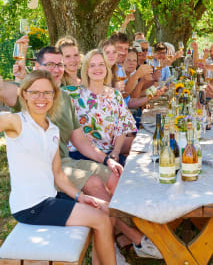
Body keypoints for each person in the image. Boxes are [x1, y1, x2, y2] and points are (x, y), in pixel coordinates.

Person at [0, 70, 116, 265]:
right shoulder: (16, 122)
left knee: (106, 210)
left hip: (50, 197)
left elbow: (58, 175)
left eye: (47, 93)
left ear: (54, 96)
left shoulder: (53, 129)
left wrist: (81, 197)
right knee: (101, 220)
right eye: (35, 92)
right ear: (24, 94)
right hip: (31, 206)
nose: (41, 98)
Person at [63, 49, 137, 171]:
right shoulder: (72, 94)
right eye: (92, 65)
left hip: (110, 154)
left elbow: (122, 127)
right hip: (81, 155)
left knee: (133, 174)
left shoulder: (116, 95)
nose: (97, 68)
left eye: (101, 64)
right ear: (86, 70)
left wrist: (116, 152)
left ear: (107, 68)